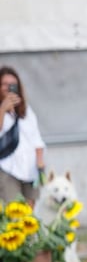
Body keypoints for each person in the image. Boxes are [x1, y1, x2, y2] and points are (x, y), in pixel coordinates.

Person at [0, 66, 46, 204]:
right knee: (13, 210)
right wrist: (3, 109)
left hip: (30, 169)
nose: (9, 88)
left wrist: (40, 165)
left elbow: (37, 139)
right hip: (7, 168)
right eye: (5, 84)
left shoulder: (27, 111)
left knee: (29, 214)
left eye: (12, 85)